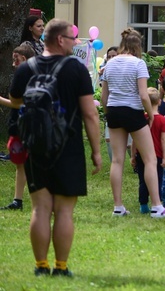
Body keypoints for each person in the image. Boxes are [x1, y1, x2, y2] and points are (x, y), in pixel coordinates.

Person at [9, 19, 102, 277]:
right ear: (60, 40)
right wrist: (96, 151)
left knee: (40, 209)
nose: (74, 42)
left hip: (35, 144)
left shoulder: (26, 68)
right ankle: (61, 267)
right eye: (71, 38)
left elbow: (16, 100)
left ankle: (41, 266)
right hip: (67, 146)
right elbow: (90, 114)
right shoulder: (76, 69)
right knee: (63, 210)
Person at [101, 28, 165, 219]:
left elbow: (104, 96)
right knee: (150, 159)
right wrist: (150, 114)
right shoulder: (138, 63)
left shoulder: (109, 64)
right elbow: (144, 94)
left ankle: (118, 207)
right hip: (133, 111)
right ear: (138, 46)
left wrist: (108, 113)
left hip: (114, 111)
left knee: (117, 160)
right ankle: (157, 206)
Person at [0, 44, 36, 210]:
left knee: (28, 163)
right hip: (19, 124)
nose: (13, 62)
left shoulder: (29, 77)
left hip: (26, 124)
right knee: (20, 164)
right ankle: (18, 201)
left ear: (25, 59)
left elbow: (18, 104)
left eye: (17, 59)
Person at [130, 88, 165, 214]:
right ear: (159, 102)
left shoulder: (141, 119)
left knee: (142, 180)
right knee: (157, 179)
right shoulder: (163, 120)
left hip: (140, 155)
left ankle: (143, 205)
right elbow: (164, 140)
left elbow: (134, 140)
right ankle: (157, 203)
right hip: (156, 155)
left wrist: (133, 155)